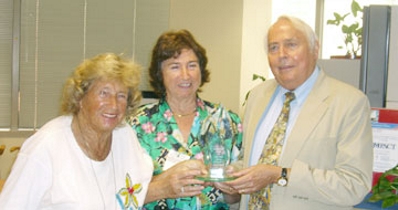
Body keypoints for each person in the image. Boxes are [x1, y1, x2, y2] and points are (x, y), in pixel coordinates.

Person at [226, 16, 374, 210]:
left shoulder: (348, 103)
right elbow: (248, 160)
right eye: (273, 48)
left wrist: (282, 175)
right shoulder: (257, 96)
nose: (281, 54)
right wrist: (231, 175)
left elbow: (354, 185)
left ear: (315, 49)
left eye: (291, 45)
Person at [0, 53, 154, 209]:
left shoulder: (124, 135)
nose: (113, 105)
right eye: (104, 93)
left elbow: (138, 183)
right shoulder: (46, 146)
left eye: (121, 96)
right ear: (80, 97)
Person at [128, 29, 243, 209]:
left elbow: (238, 197)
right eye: (174, 66)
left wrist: (231, 189)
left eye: (192, 65)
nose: (185, 75)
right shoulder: (137, 124)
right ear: (160, 73)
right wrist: (163, 187)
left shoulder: (227, 122)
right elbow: (123, 193)